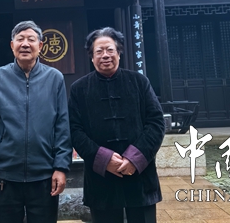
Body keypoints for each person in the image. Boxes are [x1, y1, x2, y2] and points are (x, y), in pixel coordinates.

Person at [69, 27, 165, 223]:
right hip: (101, 177)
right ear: (92, 57)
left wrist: (134, 159)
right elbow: (74, 129)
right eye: (99, 51)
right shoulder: (79, 89)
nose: (105, 55)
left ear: (119, 53)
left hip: (139, 174)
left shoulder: (139, 82)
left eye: (110, 50)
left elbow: (156, 122)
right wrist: (104, 159)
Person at [0, 20, 72, 223]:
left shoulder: (54, 78)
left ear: (40, 45)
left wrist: (61, 167)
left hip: (44, 177)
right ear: (12, 45)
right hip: (4, 177)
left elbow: (62, 127)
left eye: (31, 39)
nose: (25, 44)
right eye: (20, 39)